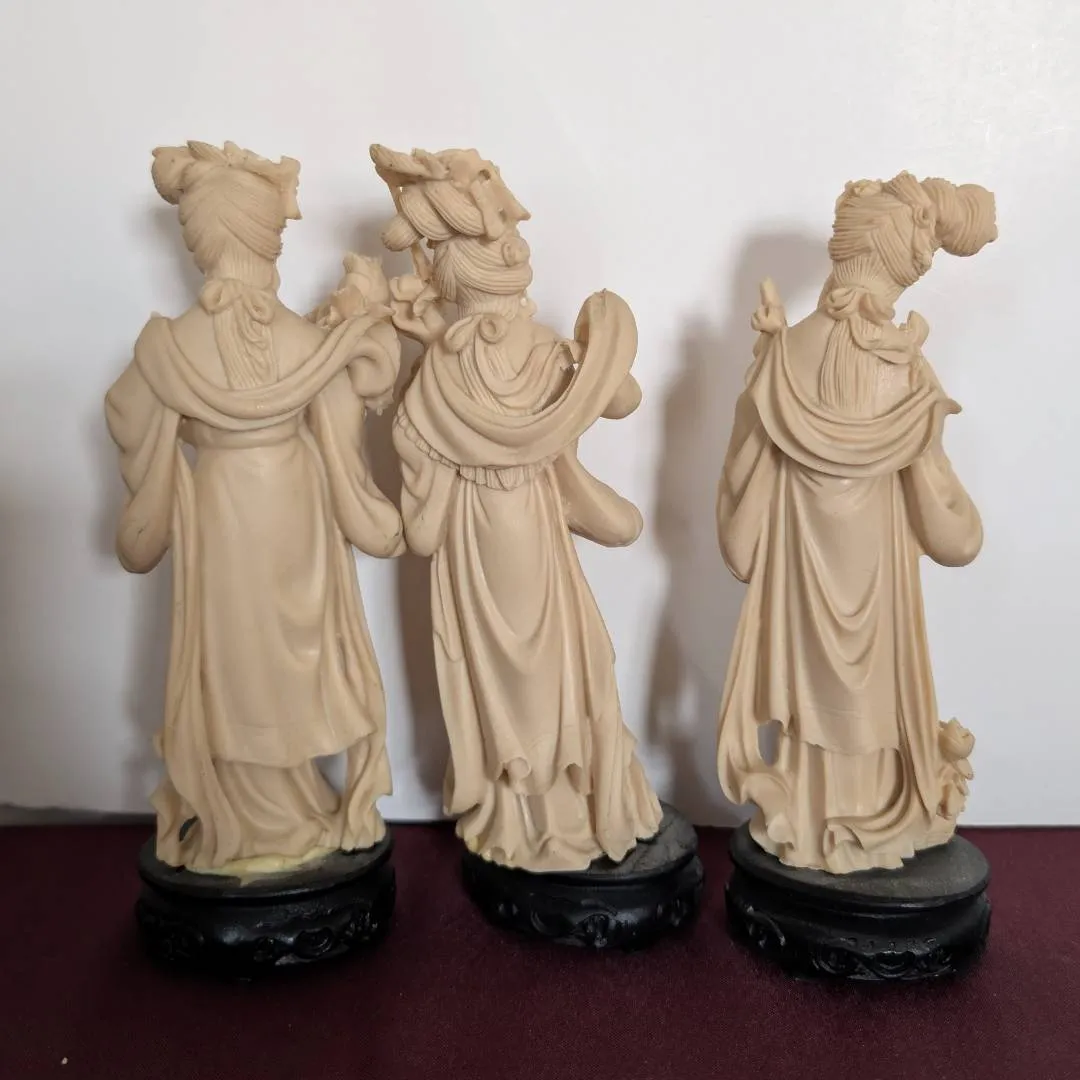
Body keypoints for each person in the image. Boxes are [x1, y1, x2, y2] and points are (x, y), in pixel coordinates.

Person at [106, 141, 402, 873]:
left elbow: (128, 409)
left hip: (223, 506)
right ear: (267, 239)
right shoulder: (310, 344)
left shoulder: (169, 349)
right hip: (292, 505)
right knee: (279, 656)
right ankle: (274, 812)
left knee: (236, 656)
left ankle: (259, 811)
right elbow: (347, 453)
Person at [374, 145, 662, 872]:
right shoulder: (547, 353)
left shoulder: (437, 374)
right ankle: (565, 801)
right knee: (563, 663)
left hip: (475, 536)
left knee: (503, 677)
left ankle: (521, 810)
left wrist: (431, 347)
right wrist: (602, 342)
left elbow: (420, 520)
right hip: (530, 519)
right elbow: (623, 397)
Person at [716, 173, 997, 872]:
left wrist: (764, 373)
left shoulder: (782, 358)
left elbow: (741, 524)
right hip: (876, 592)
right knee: (870, 700)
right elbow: (953, 535)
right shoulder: (906, 374)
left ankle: (809, 815)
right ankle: (868, 815)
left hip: (805, 596)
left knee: (819, 698)